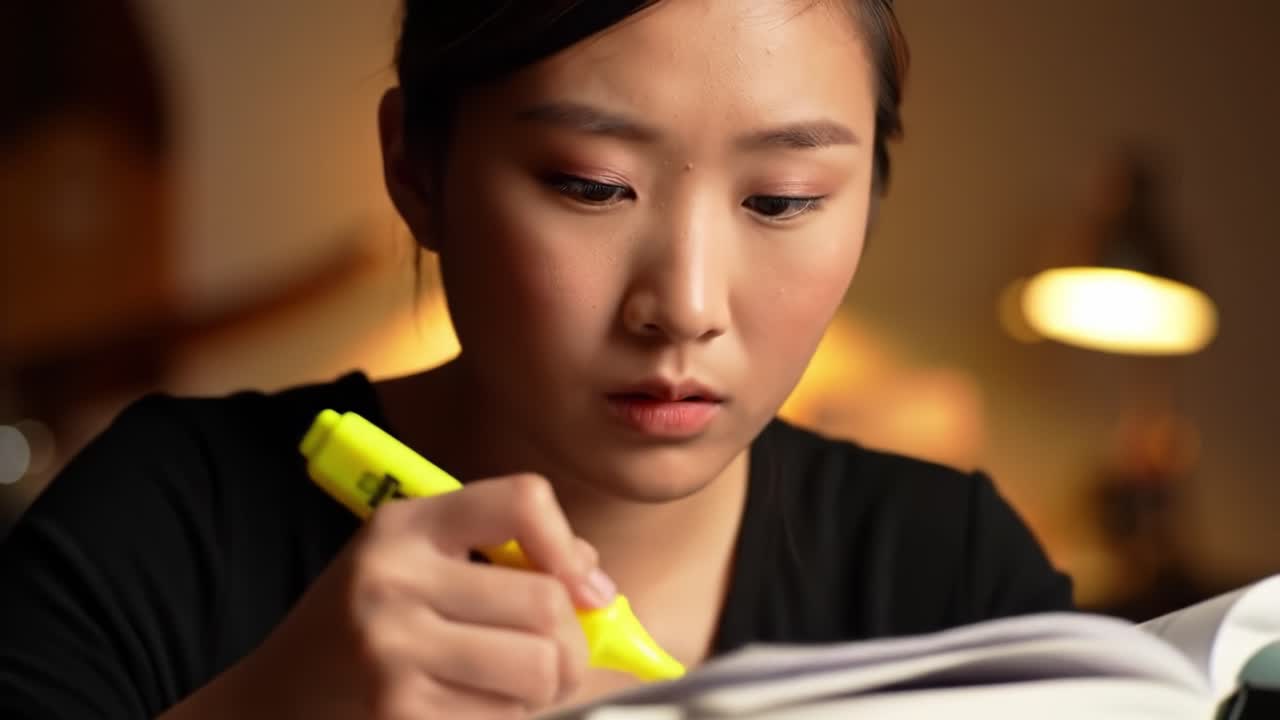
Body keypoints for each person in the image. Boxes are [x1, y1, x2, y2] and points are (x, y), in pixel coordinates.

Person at [0, 1, 1074, 718]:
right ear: (417, 170)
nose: (684, 308)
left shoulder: (951, 577)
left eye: (782, 201)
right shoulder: (163, 522)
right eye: (592, 186)